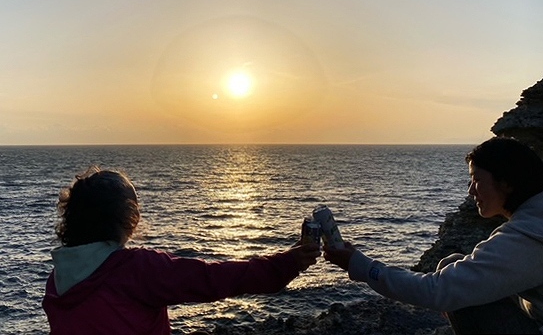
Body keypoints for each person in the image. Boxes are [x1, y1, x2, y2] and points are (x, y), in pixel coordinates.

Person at [42, 167, 320, 335]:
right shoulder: (136, 269)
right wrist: (288, 263)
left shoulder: (57, 280)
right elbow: (215, 278)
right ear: (128, 218)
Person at [324, 137, 543, 334]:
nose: (470, 191)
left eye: (476, 179)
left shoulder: (526, 238)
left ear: (505, 182)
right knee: (453, 264)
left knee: (457, 297)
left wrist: (360, 265)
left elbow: (435, 291)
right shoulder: (535, 219)